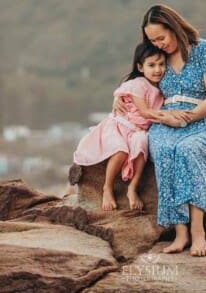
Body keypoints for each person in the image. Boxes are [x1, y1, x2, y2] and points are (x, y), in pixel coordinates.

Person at [114, 4, 206, 257]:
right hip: (165, 120)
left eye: (161, 37)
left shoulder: (205, 50)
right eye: (152, 40)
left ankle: (198, 232)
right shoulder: (157, 57)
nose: (158, 44)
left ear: (175, 27)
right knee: (162, 148)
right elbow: (137, 82)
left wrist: (187, 119)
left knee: (187, 149)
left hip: (200, 119)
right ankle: (180, 232)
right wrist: (117, 98)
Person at [73, 42, 182, 211]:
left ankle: (133, 188)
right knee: (120, 150)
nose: (158, 70)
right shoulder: (138, 83)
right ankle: (107, 187)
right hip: (118, 126)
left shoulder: (161, 89)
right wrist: (169, 118)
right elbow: (145, 112)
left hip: (137, 131)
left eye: (161, 64)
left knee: (141, 144)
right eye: (151, 65)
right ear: (140, 67)